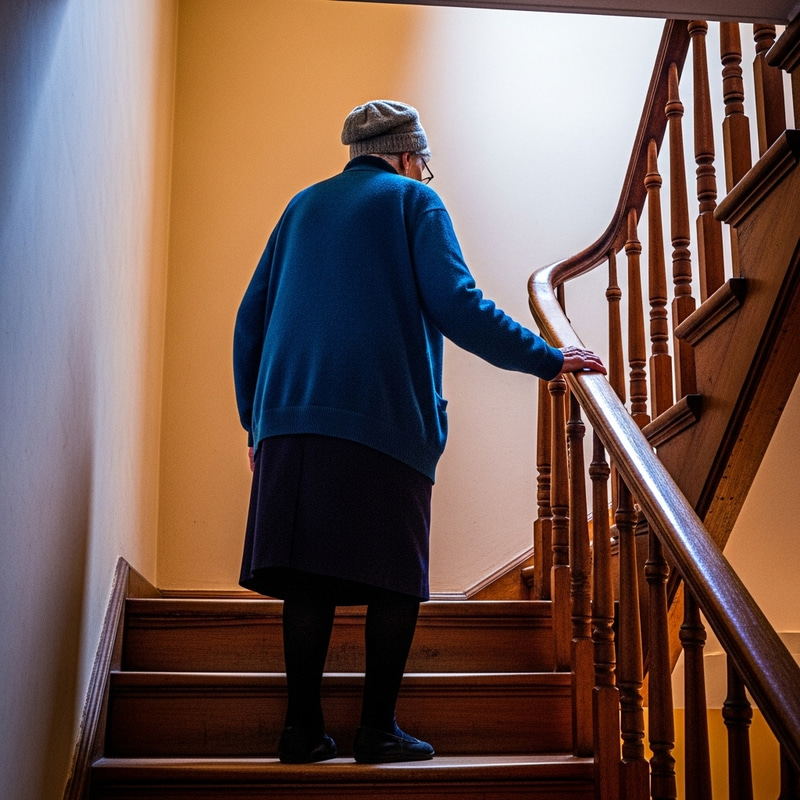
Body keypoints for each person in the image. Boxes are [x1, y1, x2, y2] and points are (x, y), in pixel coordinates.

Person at [233, 99, 605, 766]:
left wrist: (256, 424)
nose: (421, 172)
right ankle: (378, 731)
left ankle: (301, 731)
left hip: (289, 423)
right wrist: (550, 358)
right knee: (395, 580)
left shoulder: (300, 208)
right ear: (408, 155)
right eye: (421, 163)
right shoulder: (412, 202)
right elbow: (458, 304)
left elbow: (250, 321)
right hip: (383, 419)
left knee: (308, 583)